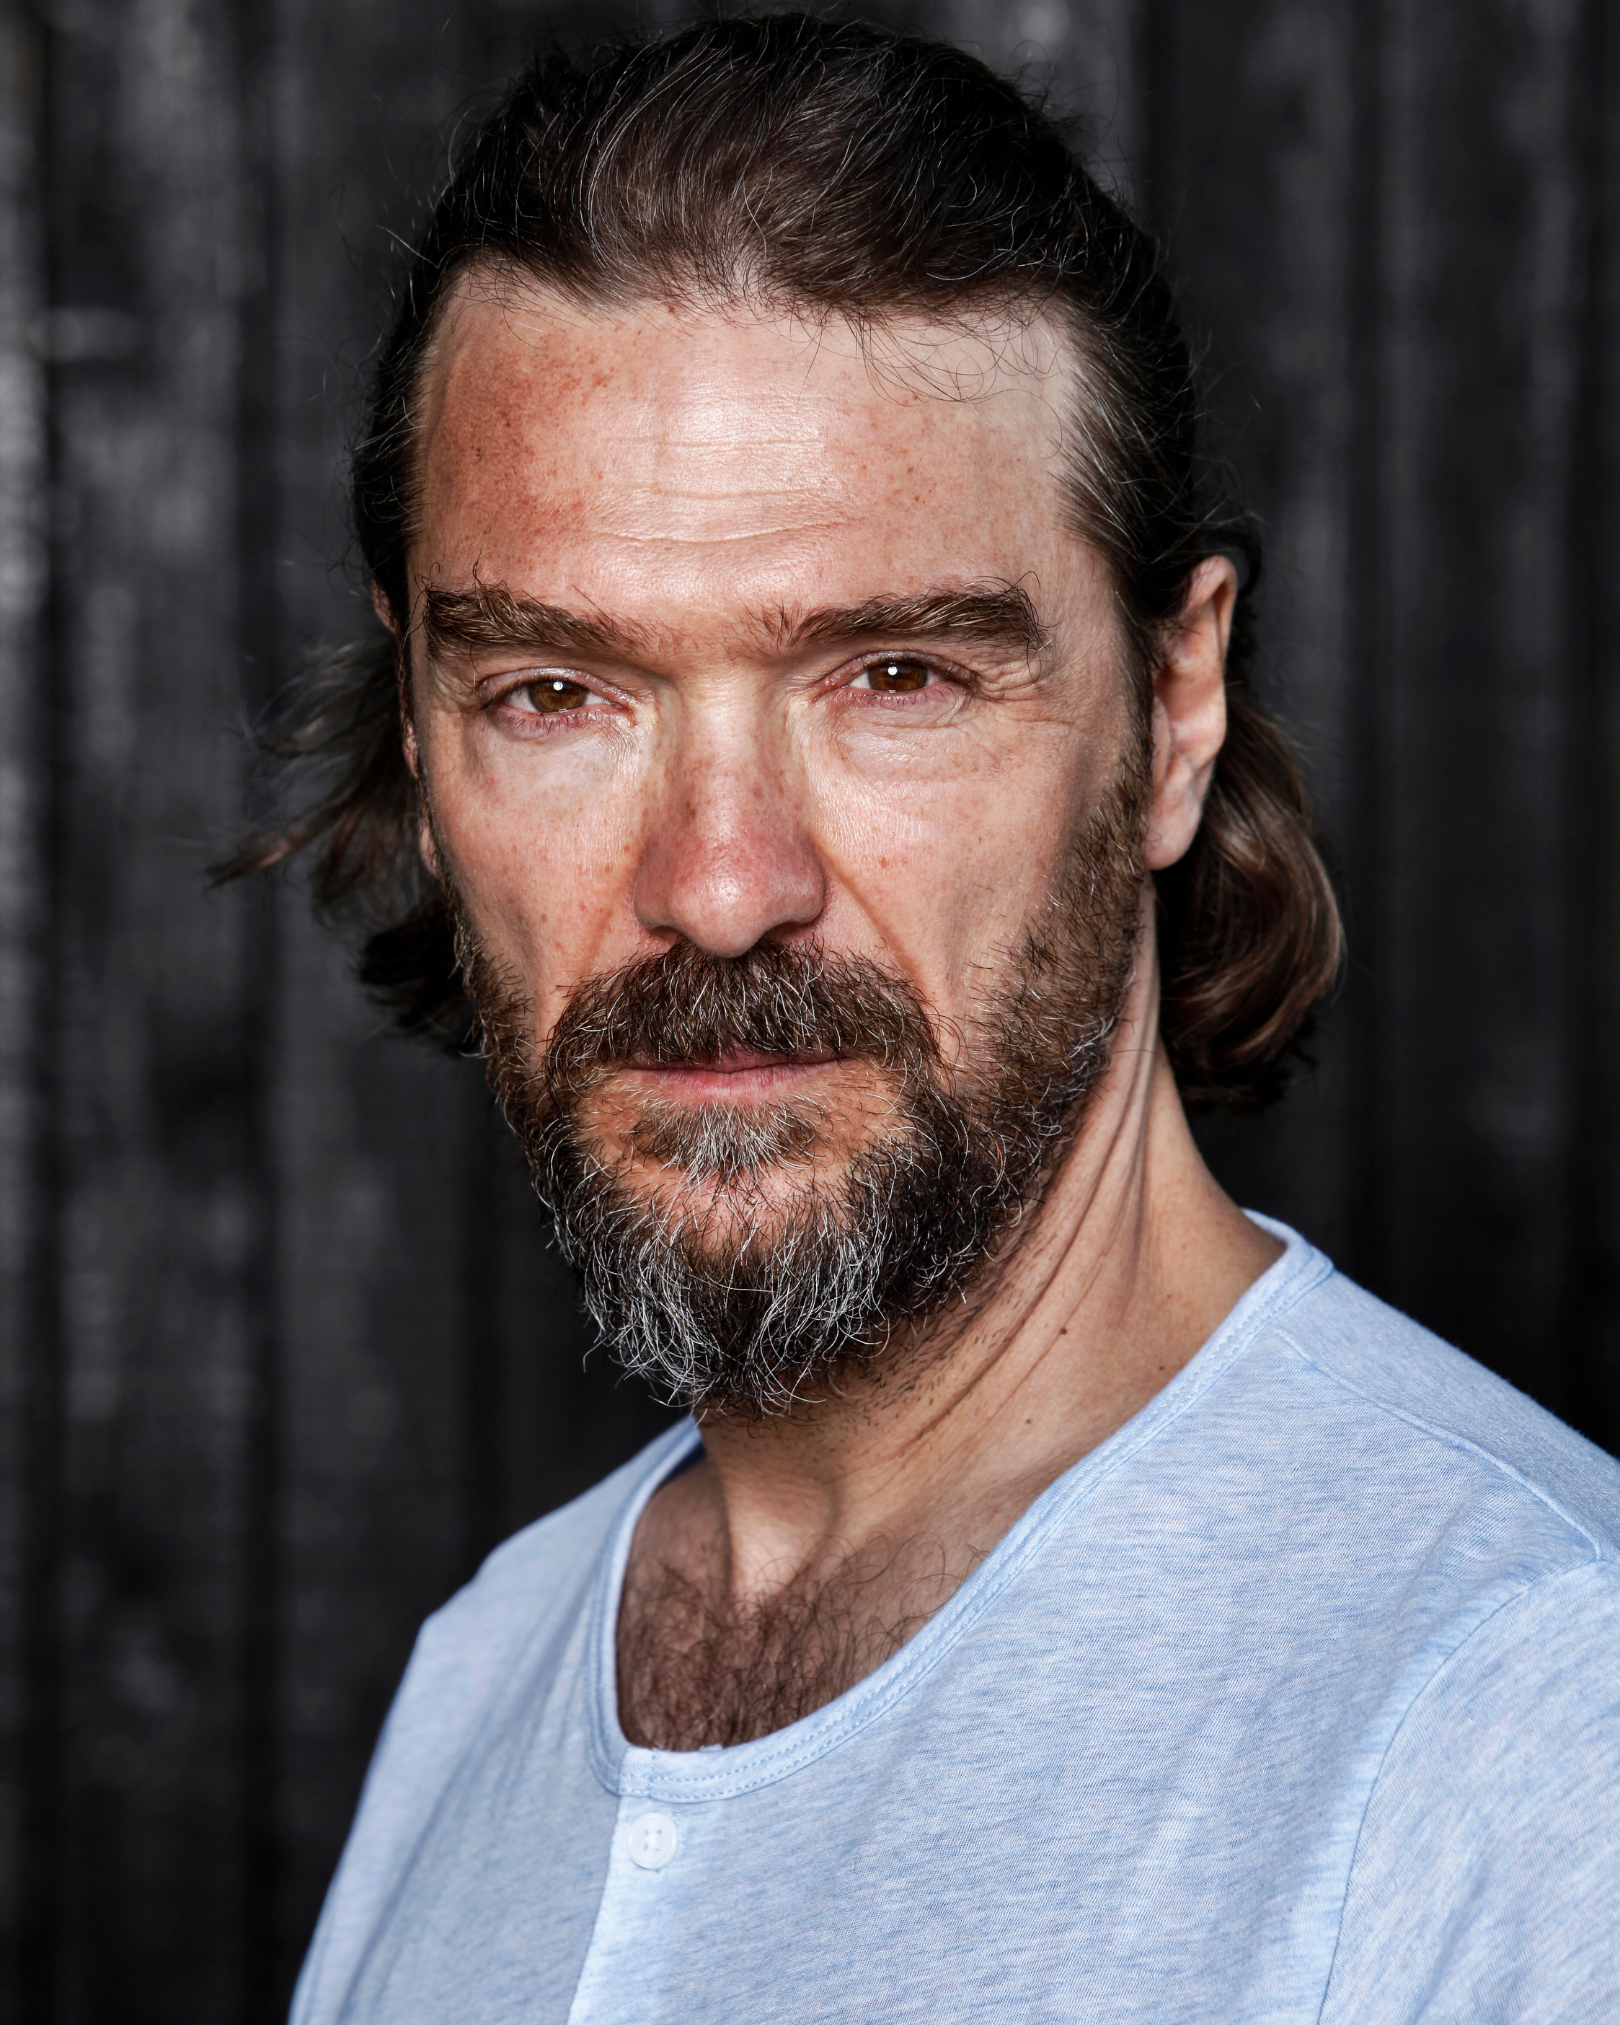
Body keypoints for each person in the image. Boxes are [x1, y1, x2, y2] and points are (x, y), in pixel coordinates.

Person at [242, 16, 1620, 2021]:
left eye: (895, 676)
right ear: (422, 731)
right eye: (557, 693)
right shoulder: (489, 1671)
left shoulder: (1530, 1724)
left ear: (1174, 711)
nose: (723, 883)